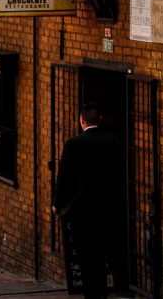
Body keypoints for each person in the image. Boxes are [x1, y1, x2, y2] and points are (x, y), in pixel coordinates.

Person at [53, 104, 120, 298]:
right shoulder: (113, 141)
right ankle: (104, 291)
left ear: (82, 121)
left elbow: (64, 177)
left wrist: (58, 203)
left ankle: (92, 293)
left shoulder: (74, 144)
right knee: (103, 253)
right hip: (108, 207)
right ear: (99, 119)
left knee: (86, 255)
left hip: (82, 210)